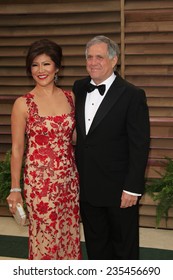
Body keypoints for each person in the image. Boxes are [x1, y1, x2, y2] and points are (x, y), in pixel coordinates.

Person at [72, 35, 150, 260]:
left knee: (124, 249)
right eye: (89, 57)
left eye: (99, 57)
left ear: (114, 60)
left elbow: (140, 145)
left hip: (119, 190)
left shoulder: (132, 94)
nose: (93, 62)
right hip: (88, 188)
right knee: (96, 248)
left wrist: (132, 188)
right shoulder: (79, 87)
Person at [6, 38, 81, 260]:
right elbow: (18, 148)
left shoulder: (71, 97)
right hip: (40, 184)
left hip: (69, 181)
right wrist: (15, 189)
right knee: (46, 241)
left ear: (57, 67)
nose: (41, 70)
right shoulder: (23, 103)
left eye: (46, 64)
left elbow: (75, 137)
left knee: (68, 235)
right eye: (35, 65)